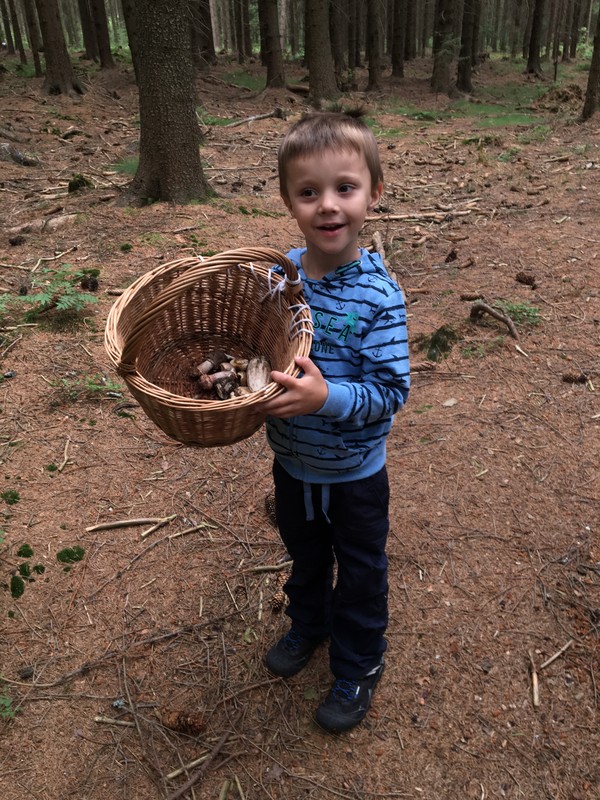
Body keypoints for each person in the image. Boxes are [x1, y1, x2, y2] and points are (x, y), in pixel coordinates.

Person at [259, 111, 410, 734]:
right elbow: (258, 343)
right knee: (305, 554)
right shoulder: (281, 278)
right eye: (308, 192)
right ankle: (309, 625)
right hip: (293, 463)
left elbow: (389, 392)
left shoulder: (380, 296)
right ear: (290, 201)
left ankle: (357, 663)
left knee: (362, 569)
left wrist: (326, 398)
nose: (327, 206)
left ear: (374, 193)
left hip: (354, 473)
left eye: (344, 188)